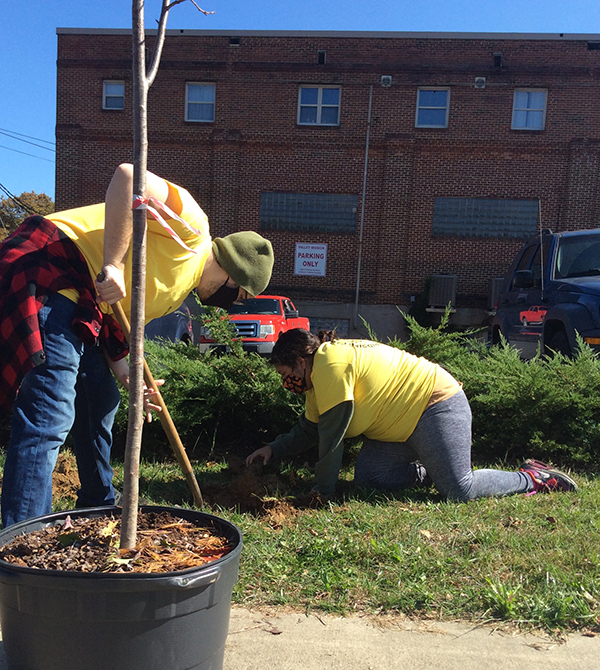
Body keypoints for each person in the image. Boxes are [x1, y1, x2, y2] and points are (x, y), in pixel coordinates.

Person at [0, 163, 274, 527]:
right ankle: (22, 537)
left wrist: (128, 375)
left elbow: (112, 323)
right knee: (50, 414)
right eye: (237, 295)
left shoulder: (175, 294)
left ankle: (97, 505)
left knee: (100, 401)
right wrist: (113, 264)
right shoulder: (192, 229)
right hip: (49, 262)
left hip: (81, 301)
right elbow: (129, 177)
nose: (231, 303)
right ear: (233, 271)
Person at [246, 329, 578, 501]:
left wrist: (322, 491)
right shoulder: (318, 377)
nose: (286, 382)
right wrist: (272, 449)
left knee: (458, 491)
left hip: (435, 407)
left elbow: (331, 440)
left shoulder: (331, 366)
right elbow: (310, 429)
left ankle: (533, 478)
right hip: (397, 432)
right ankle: (437, 467)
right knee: (369, 479)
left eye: (285, 373)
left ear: (301, 362)